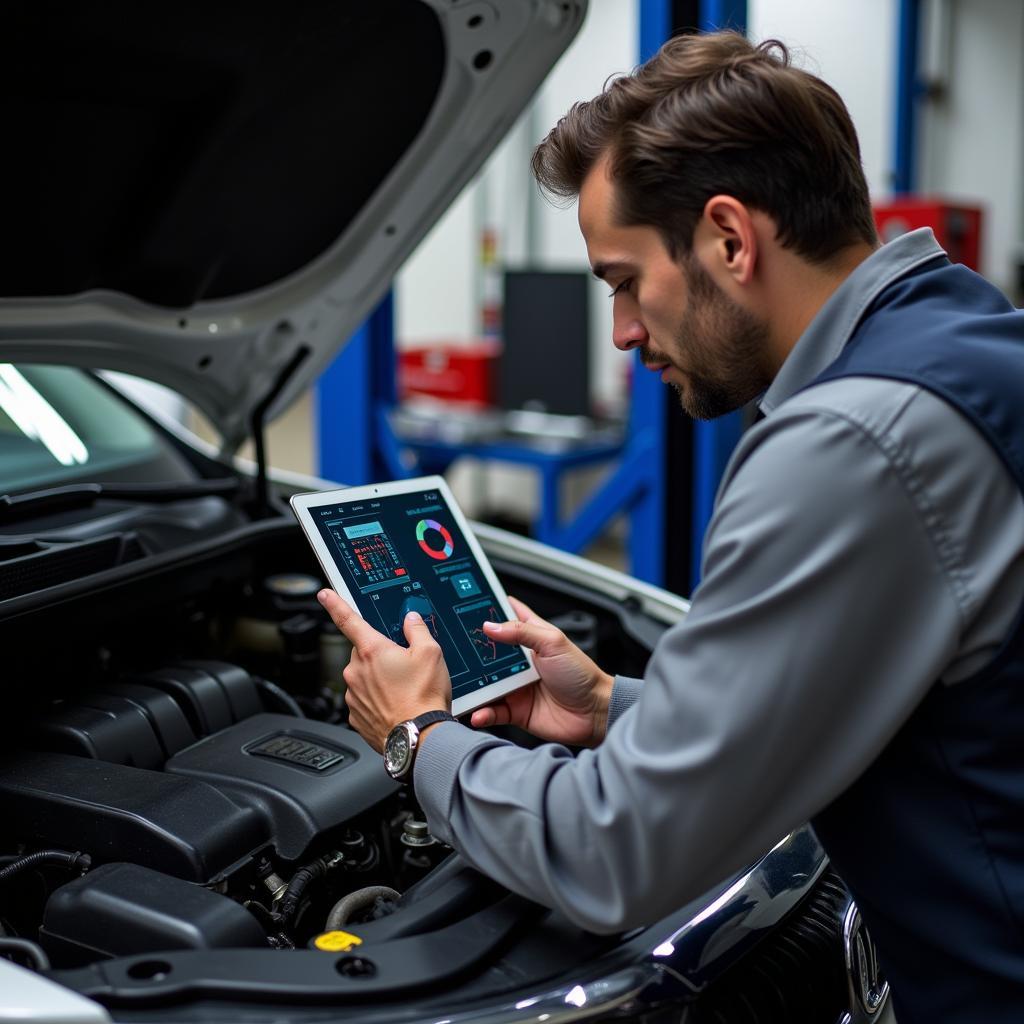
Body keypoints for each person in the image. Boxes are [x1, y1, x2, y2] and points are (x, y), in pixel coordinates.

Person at [319, 31, 1024, 1022]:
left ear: (729, 240)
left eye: (621, 280)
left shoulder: (854, 442)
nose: (620, 332)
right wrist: (610, 704)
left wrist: (416, 735)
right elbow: (852, 697)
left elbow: (615, 852)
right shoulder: (963, 334)